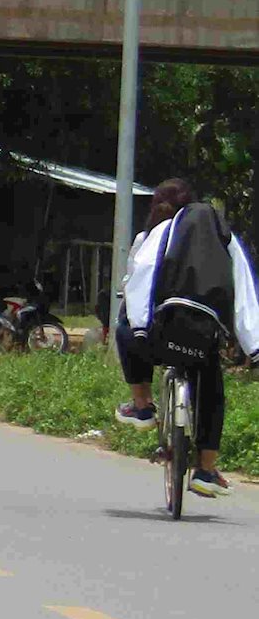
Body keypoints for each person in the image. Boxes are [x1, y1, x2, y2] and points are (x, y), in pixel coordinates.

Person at [114, 177, 259, 497]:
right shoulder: (223, 237)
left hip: (157, 337)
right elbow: (244, 291)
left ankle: (142, 406)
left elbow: (136, 284)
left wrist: (138, 328)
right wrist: (255, 347)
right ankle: (205, 471)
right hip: (202, 338)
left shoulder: (151, 235)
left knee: (124, 324)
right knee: (211, 389)